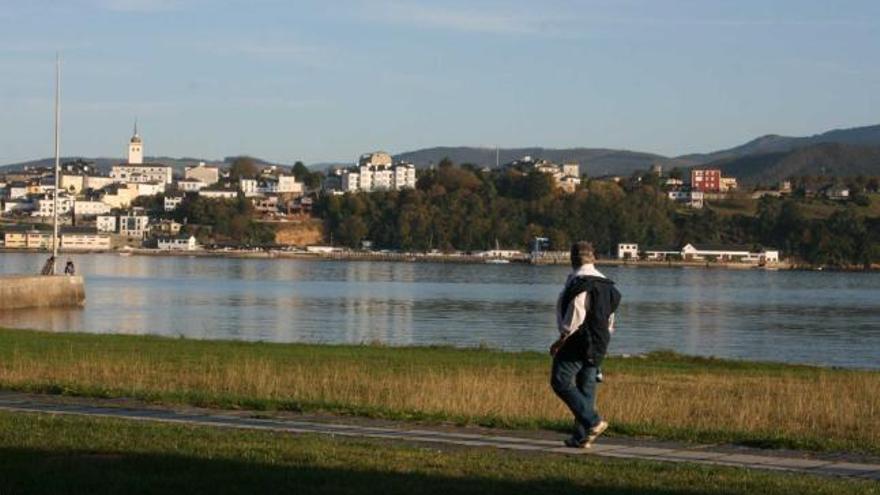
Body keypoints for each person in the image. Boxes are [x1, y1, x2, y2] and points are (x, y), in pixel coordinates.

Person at [550, 241, 621, 448]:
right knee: (586, 387)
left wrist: (561, 339)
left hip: (578, 340)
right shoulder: (607, 285)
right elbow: (609, 318)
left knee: (560, 380)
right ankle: (582, 436)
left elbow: (576, 314)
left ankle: (593, 421)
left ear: (572, 259)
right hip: (600, 341)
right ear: (594, 257)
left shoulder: (580, 283)